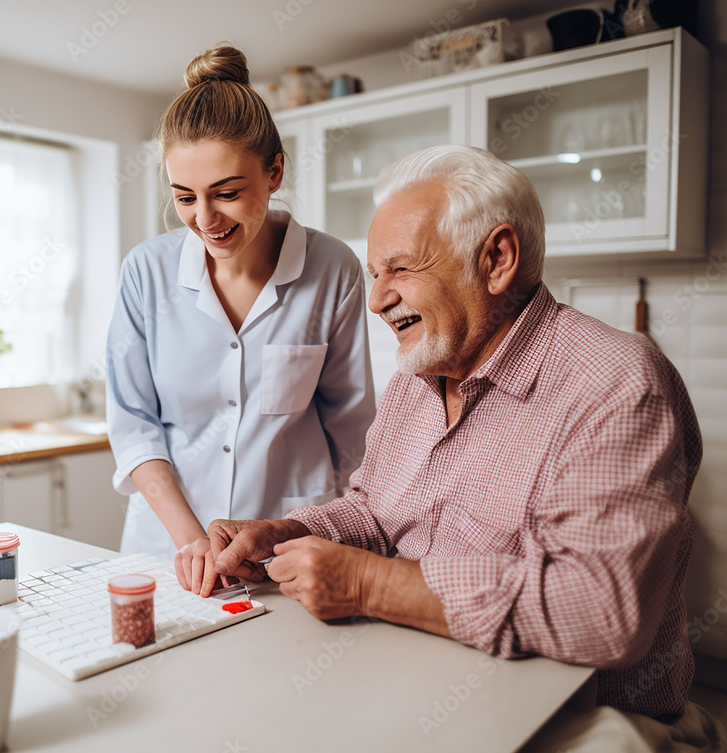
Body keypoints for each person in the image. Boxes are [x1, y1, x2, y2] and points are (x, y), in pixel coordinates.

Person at [198, 145, 726, 750]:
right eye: (375, 275)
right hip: (428, 684)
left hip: (587, 718)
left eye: (400, 268)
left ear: (497, 259)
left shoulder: (615, 380)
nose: (376, 299)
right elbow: (373, 510)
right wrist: (284, 532)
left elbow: (601, 612)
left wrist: (372, 586)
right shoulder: (416, 380)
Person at [105, 45, 375, 585]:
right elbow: (134, 426)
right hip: (167, 549)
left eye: (226, 193)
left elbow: (351, 429)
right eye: (185, 197)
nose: (205, 220)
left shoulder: (330, 268)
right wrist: (193, 541)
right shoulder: (146, 273)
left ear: (274, 171)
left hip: (287, 550)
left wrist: (336, 538)